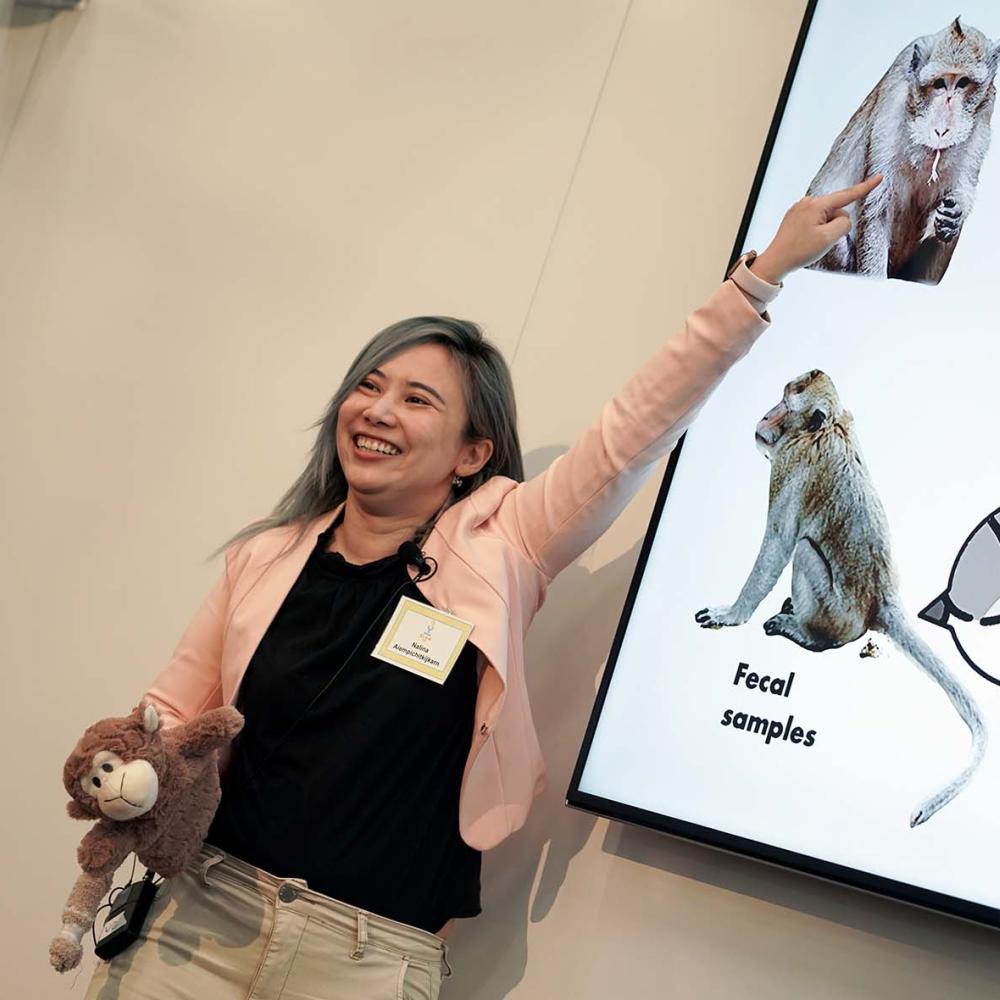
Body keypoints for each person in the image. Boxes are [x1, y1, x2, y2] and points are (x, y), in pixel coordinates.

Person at [82, 176, 881, 1000]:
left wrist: (761, 276)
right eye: (368, 386)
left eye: (416, 399)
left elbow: (630, 434)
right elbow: (168, 720)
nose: (378, 410)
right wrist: (124, 768)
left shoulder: (508, 546)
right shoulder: (264, 559)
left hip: (364, 962)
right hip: (198, 925)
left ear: (472, 453)